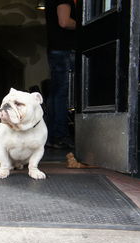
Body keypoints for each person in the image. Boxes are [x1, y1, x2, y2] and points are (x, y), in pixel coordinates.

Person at [45, 0, 76, 149]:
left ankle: (52, 136)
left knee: (56, 93)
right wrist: (84, 25)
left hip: (57, 48)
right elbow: (64, 22)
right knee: (61, 93)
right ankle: (60, 135)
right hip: (64, 49)